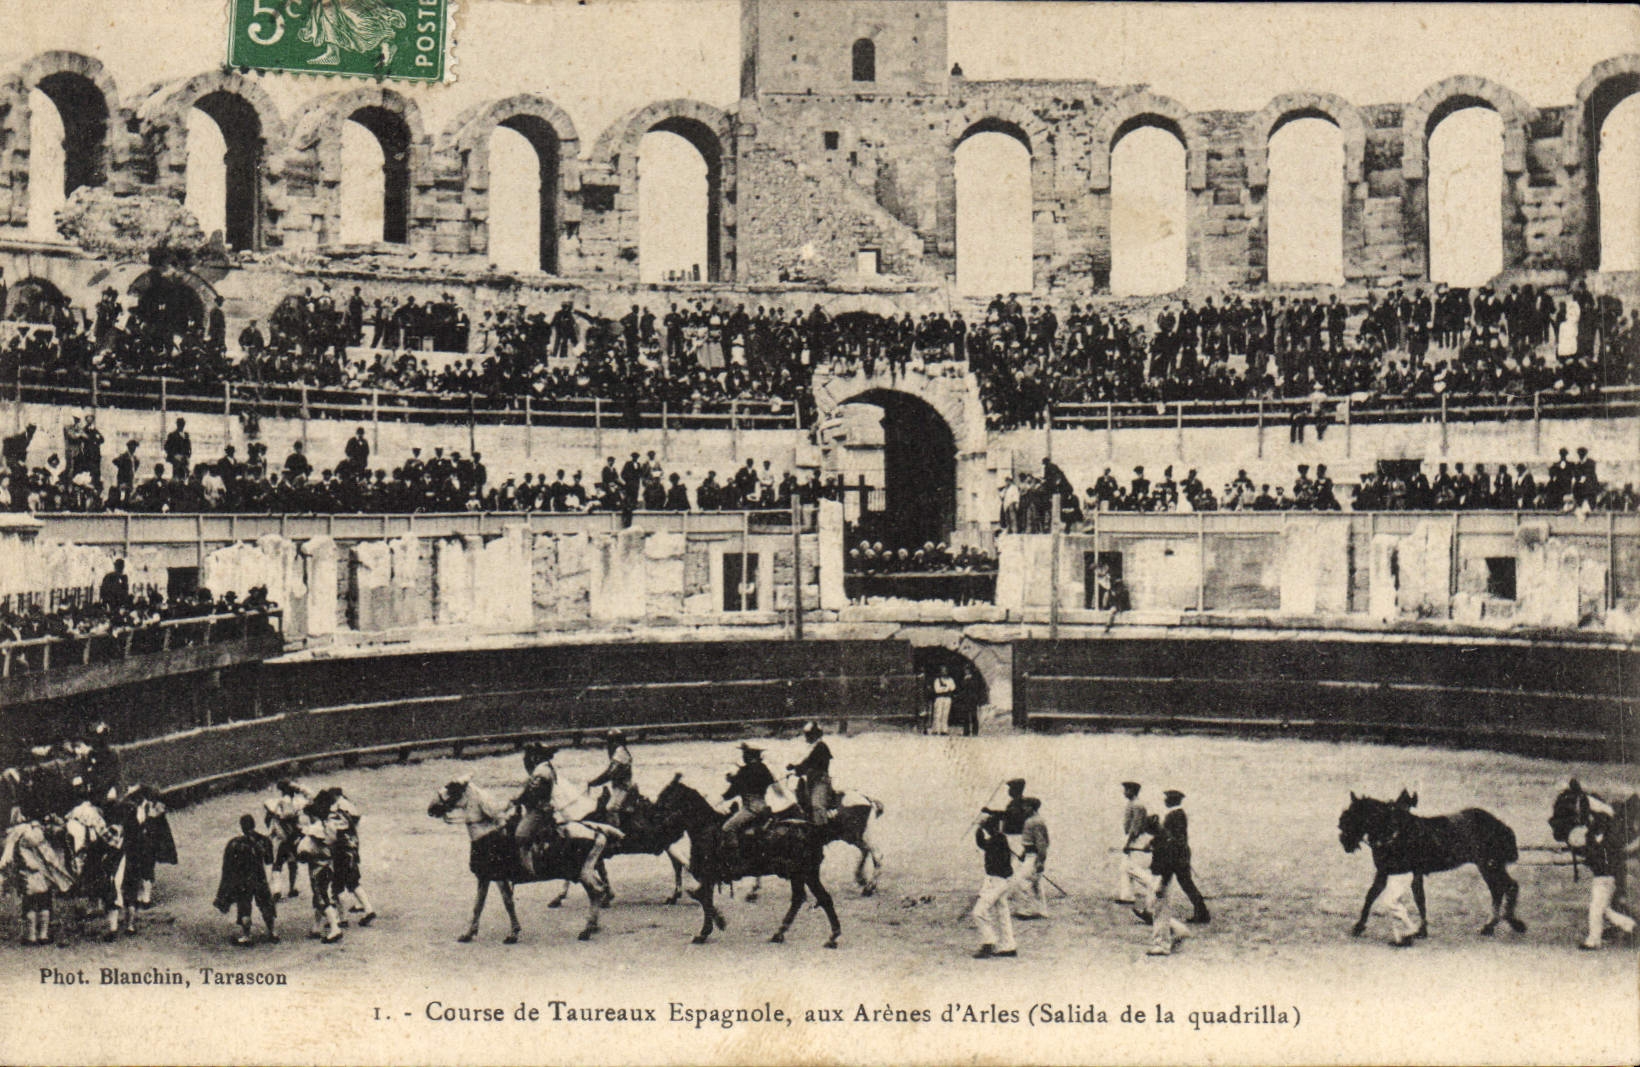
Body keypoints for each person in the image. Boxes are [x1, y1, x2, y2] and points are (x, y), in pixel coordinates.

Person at [0, 807, 74, 945]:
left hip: (26, 872)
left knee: (29, 903)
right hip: (44, 872)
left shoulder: (17, 833)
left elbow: (9, 852)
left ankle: (31, 936)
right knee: (44, 901)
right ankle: (43, 935)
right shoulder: (42, 832)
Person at [1146, 789, 1206, 956]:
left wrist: (1156, 845)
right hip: (1180, 855)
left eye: (1167, 799)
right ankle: (1201, 911)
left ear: (1172, 801)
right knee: (1186, 884)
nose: (1165, 801)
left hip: (1176, 856)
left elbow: (1171, 839)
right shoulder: (1179, 814)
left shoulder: (1173, 816)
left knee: (1185, 885)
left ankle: (1201, 911)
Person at [1575, 795, 1636, 951]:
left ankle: (1593, 941)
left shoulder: (1601, 838)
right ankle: (1629, 925)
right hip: (1605, 877)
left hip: (1604, 877)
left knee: (1596, 909)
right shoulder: (1606, 837)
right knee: (1604, 909)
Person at [213, 813, 278, 946]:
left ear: (242, 827)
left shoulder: (235, 843)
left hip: (243, 879)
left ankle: (247, 936)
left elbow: (228, 866)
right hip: (259, 877)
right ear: (254, 824)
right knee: (266, 904)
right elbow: (269, 860)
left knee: (244, 906)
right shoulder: (264, 840)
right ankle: (272, 932)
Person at [971, 811, 1017, 959]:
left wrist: (979, 828)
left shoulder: (995, 840)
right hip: (1003, 881)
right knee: (1003, 913)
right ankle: (1009, 945)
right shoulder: (1000, 839)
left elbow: (983, 843)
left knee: (979, 912)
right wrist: (980, 829)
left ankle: (989, 943)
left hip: (996, 882)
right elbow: (983, 844)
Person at [512, 742, 560, 878]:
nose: (529, 758)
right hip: (541, 808)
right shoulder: (544, 768)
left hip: (539, 810)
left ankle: (529, 870)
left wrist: (517, 799)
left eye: (531, 755)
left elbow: (532, 792)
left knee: (521, 835)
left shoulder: (541, 771)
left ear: (537, 756)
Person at [721, 743, 780, 839]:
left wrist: (725, 793)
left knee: (727, 828)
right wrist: (735, 779)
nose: (743, 756)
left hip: (750, 808)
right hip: (763, 806)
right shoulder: (764, 768)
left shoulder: (745, 770)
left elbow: (733, 790)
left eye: (744, 753)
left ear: (748, 755)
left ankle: (733, 849)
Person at [587, 731, 636, 831]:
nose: (608, 744)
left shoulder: (620, 753)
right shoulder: (619, 751)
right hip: (619, 787)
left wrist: (595, 782)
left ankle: (616, 832)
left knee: (611, 808)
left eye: (610, 741)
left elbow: (610, 773)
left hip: (623, 787)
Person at [787, 721, 834, 826]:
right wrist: (794, 767)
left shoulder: (821, 747)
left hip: (820, 780)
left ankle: (822, 829)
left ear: (815, 735)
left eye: (809, 735)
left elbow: (811, 764)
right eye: (806, 735)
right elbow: (806, 763)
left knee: (817, 805)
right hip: (812, 780)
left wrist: (797, 769)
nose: (806, 737)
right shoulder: (813, 747)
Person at [1012, 797, 1049, 920]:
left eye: (1026, 806)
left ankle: (1026, 911)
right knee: (1036, 884)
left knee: (1022, 881)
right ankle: (1041, 911)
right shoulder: (1033, 820)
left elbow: (1041, 843)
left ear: (1032, 808)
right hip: (1030, 855)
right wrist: (1024, 854)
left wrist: (1040, 861)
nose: (1023, 808)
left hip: (1033, 857)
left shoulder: (1035, 822)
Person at [1116, 781, 1151, 904]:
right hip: (1131, 837)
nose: (1124, 792)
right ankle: (1127, 896)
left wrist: (1128, 843)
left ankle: (1154, 885)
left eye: (1126, 790)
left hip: (1136, 838)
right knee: (1124, 867)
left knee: (1131, 868)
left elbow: (1135, 827)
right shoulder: (1132, 803)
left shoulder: (1137, 805)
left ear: (1132, 791)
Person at [931, 666, 956, 736]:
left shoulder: (950, 680)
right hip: (939, 698)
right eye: (942, 671)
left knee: (945, 714)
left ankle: (944, 730)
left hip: (947, 698)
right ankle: (936, 730)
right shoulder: (937, 680)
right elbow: (937, 690)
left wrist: (943, 688)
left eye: (945, 671)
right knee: (938, 714)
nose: (944, 672)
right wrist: (947, 688)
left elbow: (953, 688)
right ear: (940, 672)